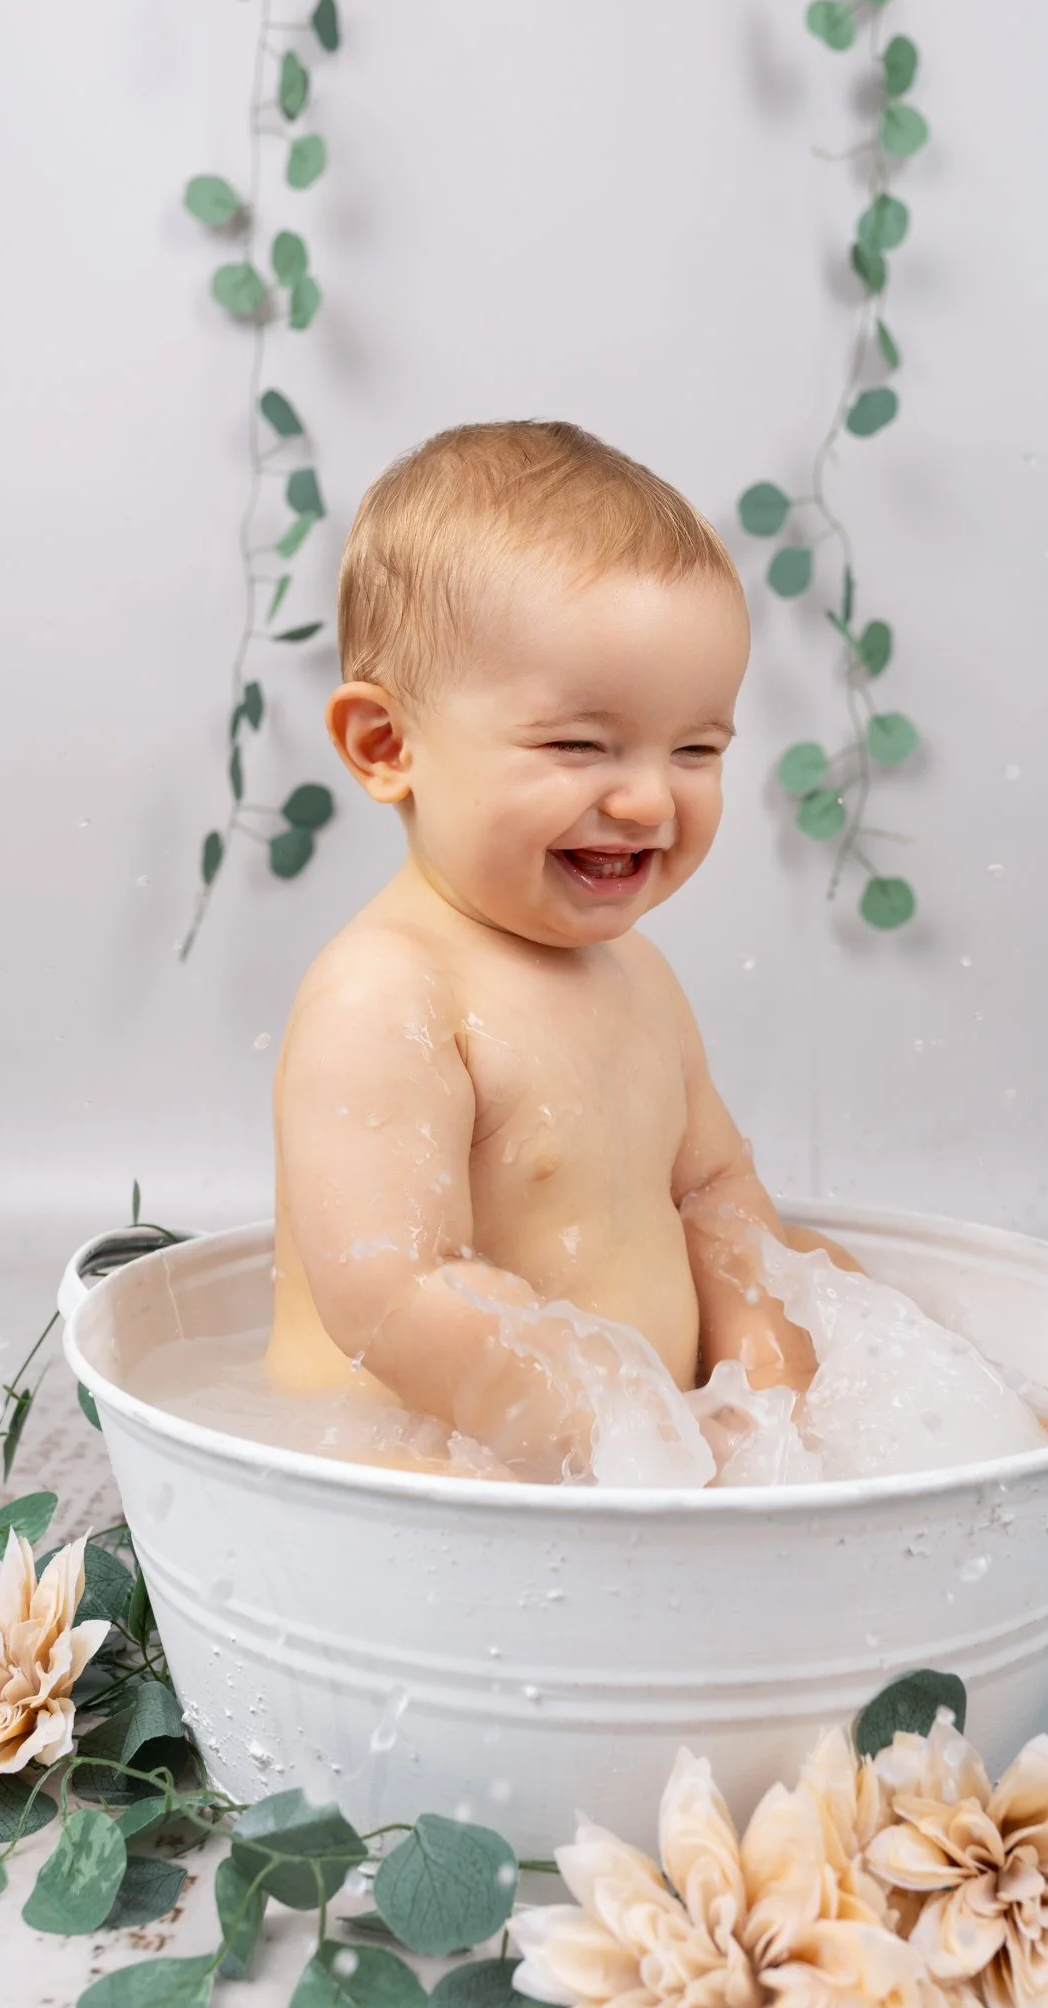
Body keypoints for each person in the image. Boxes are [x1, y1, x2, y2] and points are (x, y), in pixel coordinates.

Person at [269, 419, 862, 1478]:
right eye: (579, 745)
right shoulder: (387, 994)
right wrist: (639, 1449)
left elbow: (715, 1197)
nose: (645, 797)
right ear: (388, 745)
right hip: (418, 1485)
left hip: (643, 1467)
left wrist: (782, 1411)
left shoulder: (637, 974)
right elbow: (390, 1295)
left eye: (695, 748)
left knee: (845, 1284)